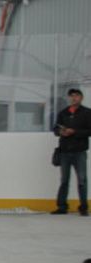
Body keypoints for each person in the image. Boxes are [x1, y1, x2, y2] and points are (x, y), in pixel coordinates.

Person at [51, 88, 90, 216]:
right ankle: (62, 206)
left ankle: (83, 207)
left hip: (79, 151)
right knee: (64, 180)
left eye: (76, 96)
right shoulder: (63, 113)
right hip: (65, 151)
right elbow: (56, 128)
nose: (74, 98)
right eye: (71, 96)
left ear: (81, 98)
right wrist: (60, 132)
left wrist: (75, 132)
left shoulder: (87, 113)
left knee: (82, 180)